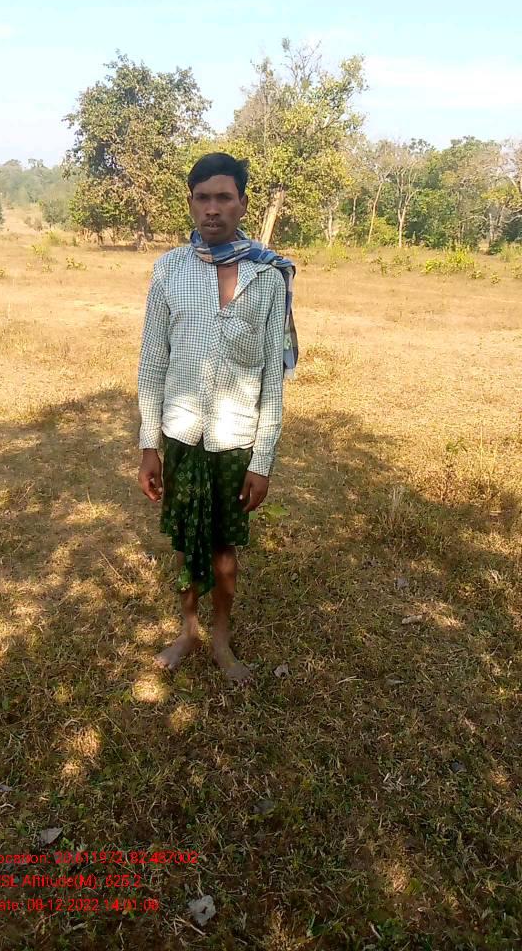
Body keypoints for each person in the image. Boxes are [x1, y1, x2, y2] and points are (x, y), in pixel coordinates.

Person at [137, 152, 297, 684]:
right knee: (187, 542)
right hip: (181, 432)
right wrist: (149, 446)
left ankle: (221, 640)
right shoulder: (169, 270)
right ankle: (188, 632)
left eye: (223, 197)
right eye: (203, 198)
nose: (212, 209)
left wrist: (262, 461)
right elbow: (152, 362)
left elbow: (272, 376)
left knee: (225, 549)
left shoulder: (269, 277)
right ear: (190, 203)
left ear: (242, 204)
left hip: (235, 440)